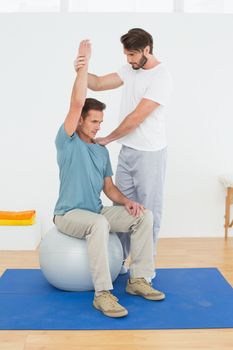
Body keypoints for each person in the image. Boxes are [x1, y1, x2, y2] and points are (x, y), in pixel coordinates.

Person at [54, 40, 165, 319]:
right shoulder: (67, 141)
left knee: (144, 216)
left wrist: (127, 202)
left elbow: (109, 188)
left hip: (94, 210)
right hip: (68, 214)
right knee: (100, 223)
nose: (98, 126)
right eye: (94, 122)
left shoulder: (100, 149)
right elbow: (77, 101)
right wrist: (83, 66)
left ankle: (138, 279)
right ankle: (103, 293)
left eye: (101, 122)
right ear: (79, 121)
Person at [84, 28, 173, 273]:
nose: (129, 60)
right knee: (122, 208)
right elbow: (99, 83)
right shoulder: (130, 69)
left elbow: (136, 118)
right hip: (128, 151)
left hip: (150, 153)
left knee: (148, 211)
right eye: (126, 55)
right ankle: (119, 261)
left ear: (147, 49)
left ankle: (145, 269)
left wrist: (108, 138)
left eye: (133, 55)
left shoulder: (161, 77)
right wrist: (82, 67)